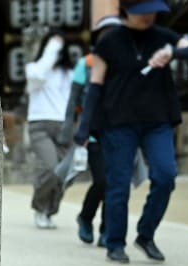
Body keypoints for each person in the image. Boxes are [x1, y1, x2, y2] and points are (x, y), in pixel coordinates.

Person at [74, 0, 188, 263]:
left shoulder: (165, 37)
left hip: (158, 121)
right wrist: (84, 127)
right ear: (126, 12)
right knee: (118, 184)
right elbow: (95, 86)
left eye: (152, 11)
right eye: (141, 12)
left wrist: (172, 54)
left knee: (166, 175)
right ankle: (115, 242)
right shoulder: (109, 42)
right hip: (117, 122)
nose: (147, 17)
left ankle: (146, 234)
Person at [65, 15, 123, 247]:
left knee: (116, 183)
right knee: (102, 181)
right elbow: (74, 100)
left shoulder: (127, 65)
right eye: (105, 32)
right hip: (93, 132)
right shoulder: (87, 63)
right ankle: (86, 217)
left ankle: (107, 230)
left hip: (120, 132)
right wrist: (72, 129)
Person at [26, 31, 75, 229]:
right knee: (49, 167)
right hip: (39, 125)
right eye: (53, 45)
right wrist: (52, 47)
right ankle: (39, 207)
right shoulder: (35, 69)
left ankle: (49, 210)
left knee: (64, 173)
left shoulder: (69, 73)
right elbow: (39, 74)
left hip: (64, 127)